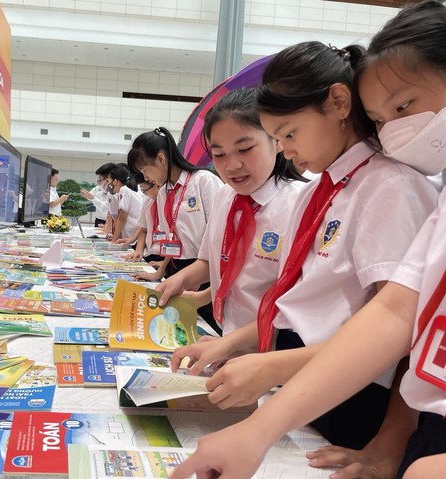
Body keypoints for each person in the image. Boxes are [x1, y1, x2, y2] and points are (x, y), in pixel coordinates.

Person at [170, 3, 446, 477]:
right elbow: (351, 308)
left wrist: (389, 439)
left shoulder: (391, 185)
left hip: (356, 388)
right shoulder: (321, 191)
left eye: (287, 133)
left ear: (339, 105)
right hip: (313, 379)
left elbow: (401, 326)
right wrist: (238, 347)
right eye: (382, 119)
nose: (286, 150)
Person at [157, 88, 307, 339]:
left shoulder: (300, 203)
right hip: (227, 337)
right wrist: (181, 280)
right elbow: (209, 262)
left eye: (245, 149)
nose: (232, 165)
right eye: (219, 154)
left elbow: (299, 305)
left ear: (277, 141)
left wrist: (231, 345)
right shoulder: (225, 196)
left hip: (272, 348)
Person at [128, 126, 223, 333]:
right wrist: (161, 271)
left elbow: (221, 238)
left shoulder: (203, 181)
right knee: (178, 330)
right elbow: (171, 240)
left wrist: (203, 280)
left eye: (145, 170)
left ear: (161, 158)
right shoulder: (164, 192)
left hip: (207, 271)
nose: (146, 177)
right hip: (177, 270)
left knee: (210, 329)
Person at [118, 173, 163, 263]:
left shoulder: (169, 202)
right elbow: (143, 229)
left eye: (145, 190)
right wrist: (139, 250)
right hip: (150, 252)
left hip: (167, 253)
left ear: (157, 185)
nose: (144, 193)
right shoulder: (147, 201)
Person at [105, 164, 142, 243]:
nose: (107, 185)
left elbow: (122, 218)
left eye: (108, 181)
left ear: (115, 181)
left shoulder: (124, 190)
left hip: (134, 238)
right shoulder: (122, 192)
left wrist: (114, 241)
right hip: (130, 237)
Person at [80, 163, 114, 227]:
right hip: (100, 220)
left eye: (100, 180)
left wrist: (93, 198)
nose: (99, 183)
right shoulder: (98, 189)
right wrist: (91, 197)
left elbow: (105, 208)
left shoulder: (116, 193)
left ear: (108, 179)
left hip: (112, 221)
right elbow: (90, 196)